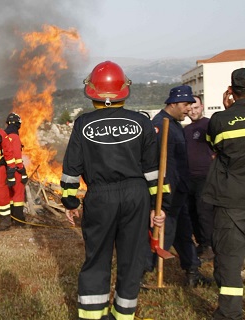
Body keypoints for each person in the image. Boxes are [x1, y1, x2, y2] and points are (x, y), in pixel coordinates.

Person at [61, 61, 166, 320]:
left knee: (97, 257)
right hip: (136, 196)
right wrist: (158, 207)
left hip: (101, 197)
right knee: (131, 259)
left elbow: (72, 168)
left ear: (92, 92)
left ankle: (94, 315)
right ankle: (123, 315)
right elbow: (153, 171)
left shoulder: (82, 123)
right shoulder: (141, 122)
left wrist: (70, 202)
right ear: (123, 90)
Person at [143, 85, 211, 287]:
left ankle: (192, 272)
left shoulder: (174, 124)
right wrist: (160, 201)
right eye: (185, 105)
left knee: (184, 234)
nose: (188, 109)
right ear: (172, 103)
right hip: (167, 196)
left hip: (180, 193)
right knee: (161, 238)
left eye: (191, 105)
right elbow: (155, 166)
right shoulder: (160, 125)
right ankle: (139, 276)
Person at [202, 68, 245, 320]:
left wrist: (228, 110)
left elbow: (213, 145)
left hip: (232, 201)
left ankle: (229, 314)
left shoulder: (220, 120)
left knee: (229, 258)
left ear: (231, 91)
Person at [184, 95, 215, 260]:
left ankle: (209, 246)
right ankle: (202, 245)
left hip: (205, 177)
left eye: (196, 108)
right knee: (192, 212)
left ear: (202, 107)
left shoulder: (209, 125)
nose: (193, 111)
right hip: (189, 178)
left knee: (204, 213)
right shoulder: (186, 130)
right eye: (190, 108)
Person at [4, 112, 28, 225]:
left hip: (4, 170)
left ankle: (9, 218)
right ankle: (18, 220)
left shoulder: (3, 135)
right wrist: (22, 171)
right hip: (15, 171)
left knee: (9, 194)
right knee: (18, 193)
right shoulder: (14, 136)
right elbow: (17, 157)